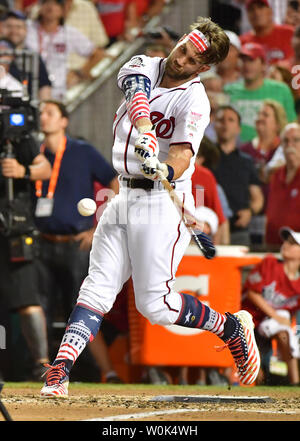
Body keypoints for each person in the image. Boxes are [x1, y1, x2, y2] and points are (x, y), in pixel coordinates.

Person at [39, 16, 261, 398]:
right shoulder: (144, 63)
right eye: (183, 47)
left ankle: (230, 328)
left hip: (161, 203)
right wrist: (144, 133)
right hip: (122, 195)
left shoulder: (194, 99)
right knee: (96, 288)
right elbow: (137, 95)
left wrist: (164, 167)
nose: (181, 57)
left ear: (203, 68)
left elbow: (181, 155)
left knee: (155, 306)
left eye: (192, 57)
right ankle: (59, 371)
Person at [33, 100, 120, 381]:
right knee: (39, 309)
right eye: (41, 113)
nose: (42, 118)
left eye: (49, 113)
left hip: (75, 244)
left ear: (63, 121)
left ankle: (106, 372)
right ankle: (46, 370)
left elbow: (115, 181)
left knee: (84, 306)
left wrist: (97, 227)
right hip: (41, 242)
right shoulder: (34, 152)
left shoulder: (82, 151)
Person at [0, 69, 52, 380]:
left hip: (14, 225)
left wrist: (22, 171)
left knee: (28, 298)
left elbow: (43, 168)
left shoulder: (14, 131)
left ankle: (42, 365)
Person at [242, 226, 300, 385]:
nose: (286, 245)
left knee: (284, 332)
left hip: (271, 325)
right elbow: (252, 294)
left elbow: (290, 315)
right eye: (286, 241)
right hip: (249, 322)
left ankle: (295, 383)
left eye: (293, 243)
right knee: (256, 377)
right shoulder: (270, 263)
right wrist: (276, 317)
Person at [25, 0, 107, 100]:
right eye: (47, 2)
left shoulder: (69, 33)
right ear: (40, 7)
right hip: (29, 88)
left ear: (62, 10)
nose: (51, 7)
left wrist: (79, 72)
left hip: (57, 92)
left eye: (56, 4)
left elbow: (98, 54)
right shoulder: (28, 28)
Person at [212, 105, 264, 246]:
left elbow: (257, 197)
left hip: (239, 232)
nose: (225, 124)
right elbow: (198, 189)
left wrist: (250, 212)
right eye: (221, 120)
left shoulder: (247, 161)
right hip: (211, 231)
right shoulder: (206, 158)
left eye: (231, 120)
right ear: (214, 125)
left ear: (239, 128)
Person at [224, 42, 296, 142]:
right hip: (238, 151)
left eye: (251, 60)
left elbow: (291, 124)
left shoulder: (281, 89)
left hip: (272, 150)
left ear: (263, 65)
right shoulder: (229, 90)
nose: (246, 65)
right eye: (243, 60)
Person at [240, 100, 288, 247]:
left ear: (277, 124)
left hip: (277, 217)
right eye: (259, 114)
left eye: (265, 115)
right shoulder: (245, 149)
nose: (259, 117)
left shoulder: (287, 149)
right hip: (249, 217)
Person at [1, 9, 52, 101]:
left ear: (25, 30)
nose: (14, 31)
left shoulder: (33, 57)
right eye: (9, 26)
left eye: (18, 27)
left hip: (24, 109)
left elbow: (44, 89)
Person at [266, 122, 300, 248]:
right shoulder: (275, 176)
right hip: (273, 246)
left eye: (296, 140)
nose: (290, 145)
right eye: (286, 141)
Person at [240, 0, 294, 65]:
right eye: (251, 9)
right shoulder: (242, 42)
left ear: (270, 11)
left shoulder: (290, 33)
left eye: (261, 7)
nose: (256, 12)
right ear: (247, 15)